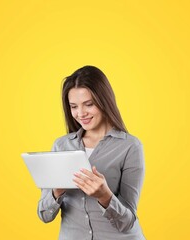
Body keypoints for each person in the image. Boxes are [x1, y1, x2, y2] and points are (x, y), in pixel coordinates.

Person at [37, 66, 145, 239]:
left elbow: (127, 221)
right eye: (73, 106)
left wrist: (105, 196)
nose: (81, 113)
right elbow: (44, 215)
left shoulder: (130, 146)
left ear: (104, 101)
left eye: (89, 104)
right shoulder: (61, 146)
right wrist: (56, 191)